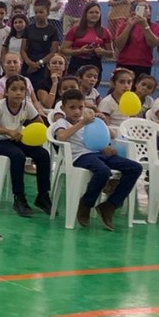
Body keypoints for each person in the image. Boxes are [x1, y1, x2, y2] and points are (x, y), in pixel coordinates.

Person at [50, 87, 142, 230]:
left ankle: (110, 205)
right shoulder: (62, 122)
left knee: (135, 168)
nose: (77, 111)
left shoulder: (87, 120)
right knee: (103, 172)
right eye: (72, 108)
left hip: (98, 153)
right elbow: (61, 136)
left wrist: (103, 123)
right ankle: (86, 204)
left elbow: (111, 136)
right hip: (80, 157)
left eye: (80, 107)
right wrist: (82, 123)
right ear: (63, 108)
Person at [0, 75, 52, 217]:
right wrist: (7, 131)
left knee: (43, 154)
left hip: (17, 139)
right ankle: (19, 197)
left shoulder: (27, 105)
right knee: (17, 156)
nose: (18, 92)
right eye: (14, 89)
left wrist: (33, 134)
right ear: (6, 92)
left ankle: (43, 195)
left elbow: (39, 123)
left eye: (22, 89)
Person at [111, 1, 159, 80]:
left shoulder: (154, 27)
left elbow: (153, 43)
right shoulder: (125, 25)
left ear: (150, 13)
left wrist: (144, 25)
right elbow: (118, 45)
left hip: (144, 65)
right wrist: (129, 25)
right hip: (124, 63)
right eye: (139, 7)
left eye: (146, 8)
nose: (143, 9)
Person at [62, 3, 113, 76]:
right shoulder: (75, 30)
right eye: (91, 12)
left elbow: (111, 54)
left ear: (100, 14)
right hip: (76, 63)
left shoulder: (105, 32)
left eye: (97, 12)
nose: (94, 14)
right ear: (85, 14)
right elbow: (63, 50)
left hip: (95, 65)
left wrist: (102, 51)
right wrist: (79, 51)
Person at [22, 0, 62, 90]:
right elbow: (22, 49)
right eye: (36, 12)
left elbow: (54, 51)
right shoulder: (29, 29)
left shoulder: (52, 30)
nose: (38, 15)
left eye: (41, 12)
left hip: (43, 65)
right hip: (28, 65)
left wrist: (38, 63)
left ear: (47, 13)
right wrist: (29, 63)